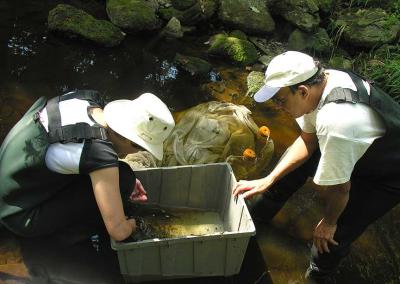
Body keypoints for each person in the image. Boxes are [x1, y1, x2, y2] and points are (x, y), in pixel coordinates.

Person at [233, 51, 400, 282]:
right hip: (357, 144)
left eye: (280, 100)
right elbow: (308, 141)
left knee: (332, 236)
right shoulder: (320, 84)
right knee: (285, 175)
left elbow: (341, 189)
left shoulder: (337, 120)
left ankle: (317, 276)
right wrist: (268, 179)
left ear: (302, 91)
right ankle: (255, 219)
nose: (278, 106)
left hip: (388, 174)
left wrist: (329, 222)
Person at [0, 90, 175, 243]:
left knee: (122, 176)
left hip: (13, 187)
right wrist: (134, 225)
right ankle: (67, 240)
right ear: (129, 139)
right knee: (124, 179)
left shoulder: (87, 100)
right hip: (21, 215)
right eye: (142, 146)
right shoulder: (98, 153)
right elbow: (118, 232)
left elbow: (72, 153)